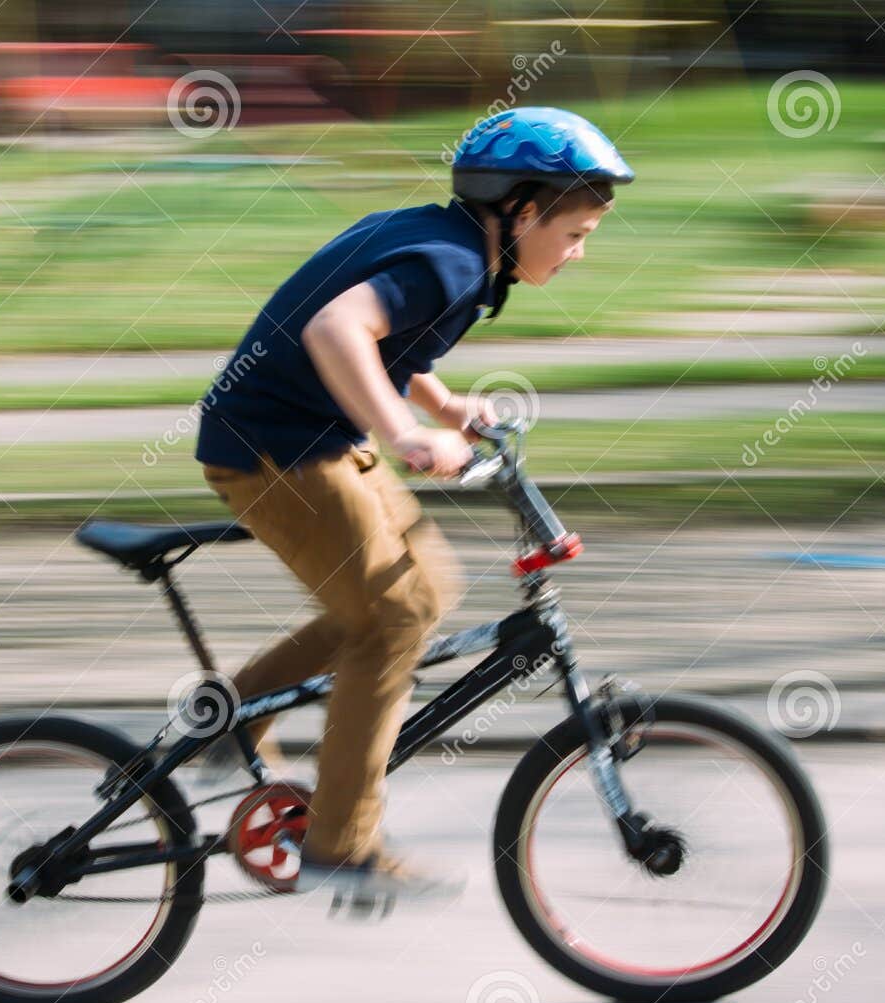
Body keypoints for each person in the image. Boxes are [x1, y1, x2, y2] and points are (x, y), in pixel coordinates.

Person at [194, 107, 633, 905]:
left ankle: (232, 712)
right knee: (392, 617)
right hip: (274, 450)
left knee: (421, 587)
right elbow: (337, 328)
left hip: (309, 437)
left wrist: (444, 405)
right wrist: (404, 432)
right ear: (523, 211)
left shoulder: (454, 247)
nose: (577, 254)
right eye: (574, 234)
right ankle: (341, 843)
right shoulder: (454, 262)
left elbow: (393, 339)